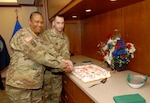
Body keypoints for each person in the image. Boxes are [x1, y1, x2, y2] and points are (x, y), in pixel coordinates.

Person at [5, 11, 73, 103]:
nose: (39, 25)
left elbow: (49, 50)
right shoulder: (23, 34)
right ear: (29, 21)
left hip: (35, 85)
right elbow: (40, 55)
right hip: (20, 86)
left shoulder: (39, 38)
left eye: (41, 22)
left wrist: (63, 60)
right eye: (36, 22)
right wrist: (63, 64)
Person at [42, 14, 71, 103]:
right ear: (53, 23)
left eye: (62, 23)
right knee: (45, 98)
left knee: (56, 98)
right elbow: (49, 52)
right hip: (46, 73)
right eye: (58, 23)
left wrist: (66, 62)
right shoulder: (45, 35)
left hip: (58, 74)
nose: (60, 25)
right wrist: (62, 60)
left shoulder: (65, 38)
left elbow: (66, 53)